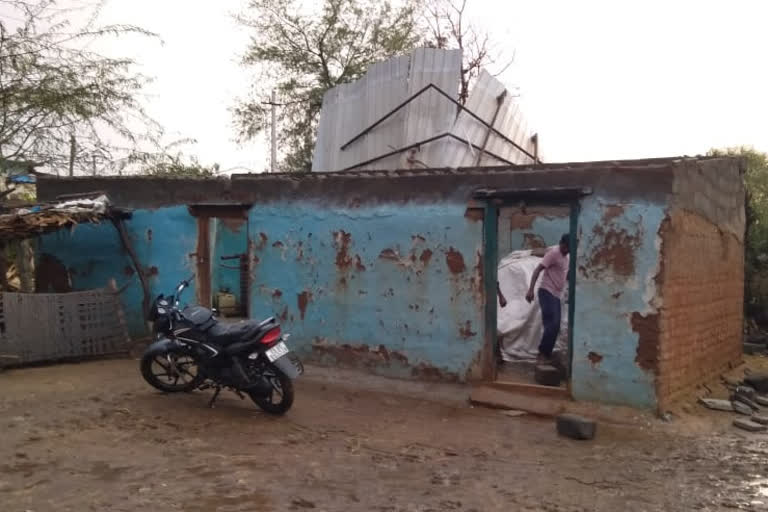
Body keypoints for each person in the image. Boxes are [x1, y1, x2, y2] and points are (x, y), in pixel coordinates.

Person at [525, 234, 570, 364]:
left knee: (554, 326)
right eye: (567, 247)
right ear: (562, 244)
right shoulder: (554, 253)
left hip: (556, 295)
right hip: (546, 291)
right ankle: (543, 354)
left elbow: (563, 274)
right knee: (553, 323)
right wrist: (530, 290)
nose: (568, 250)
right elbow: (538, 270)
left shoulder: (565, 257)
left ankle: (546, 354)